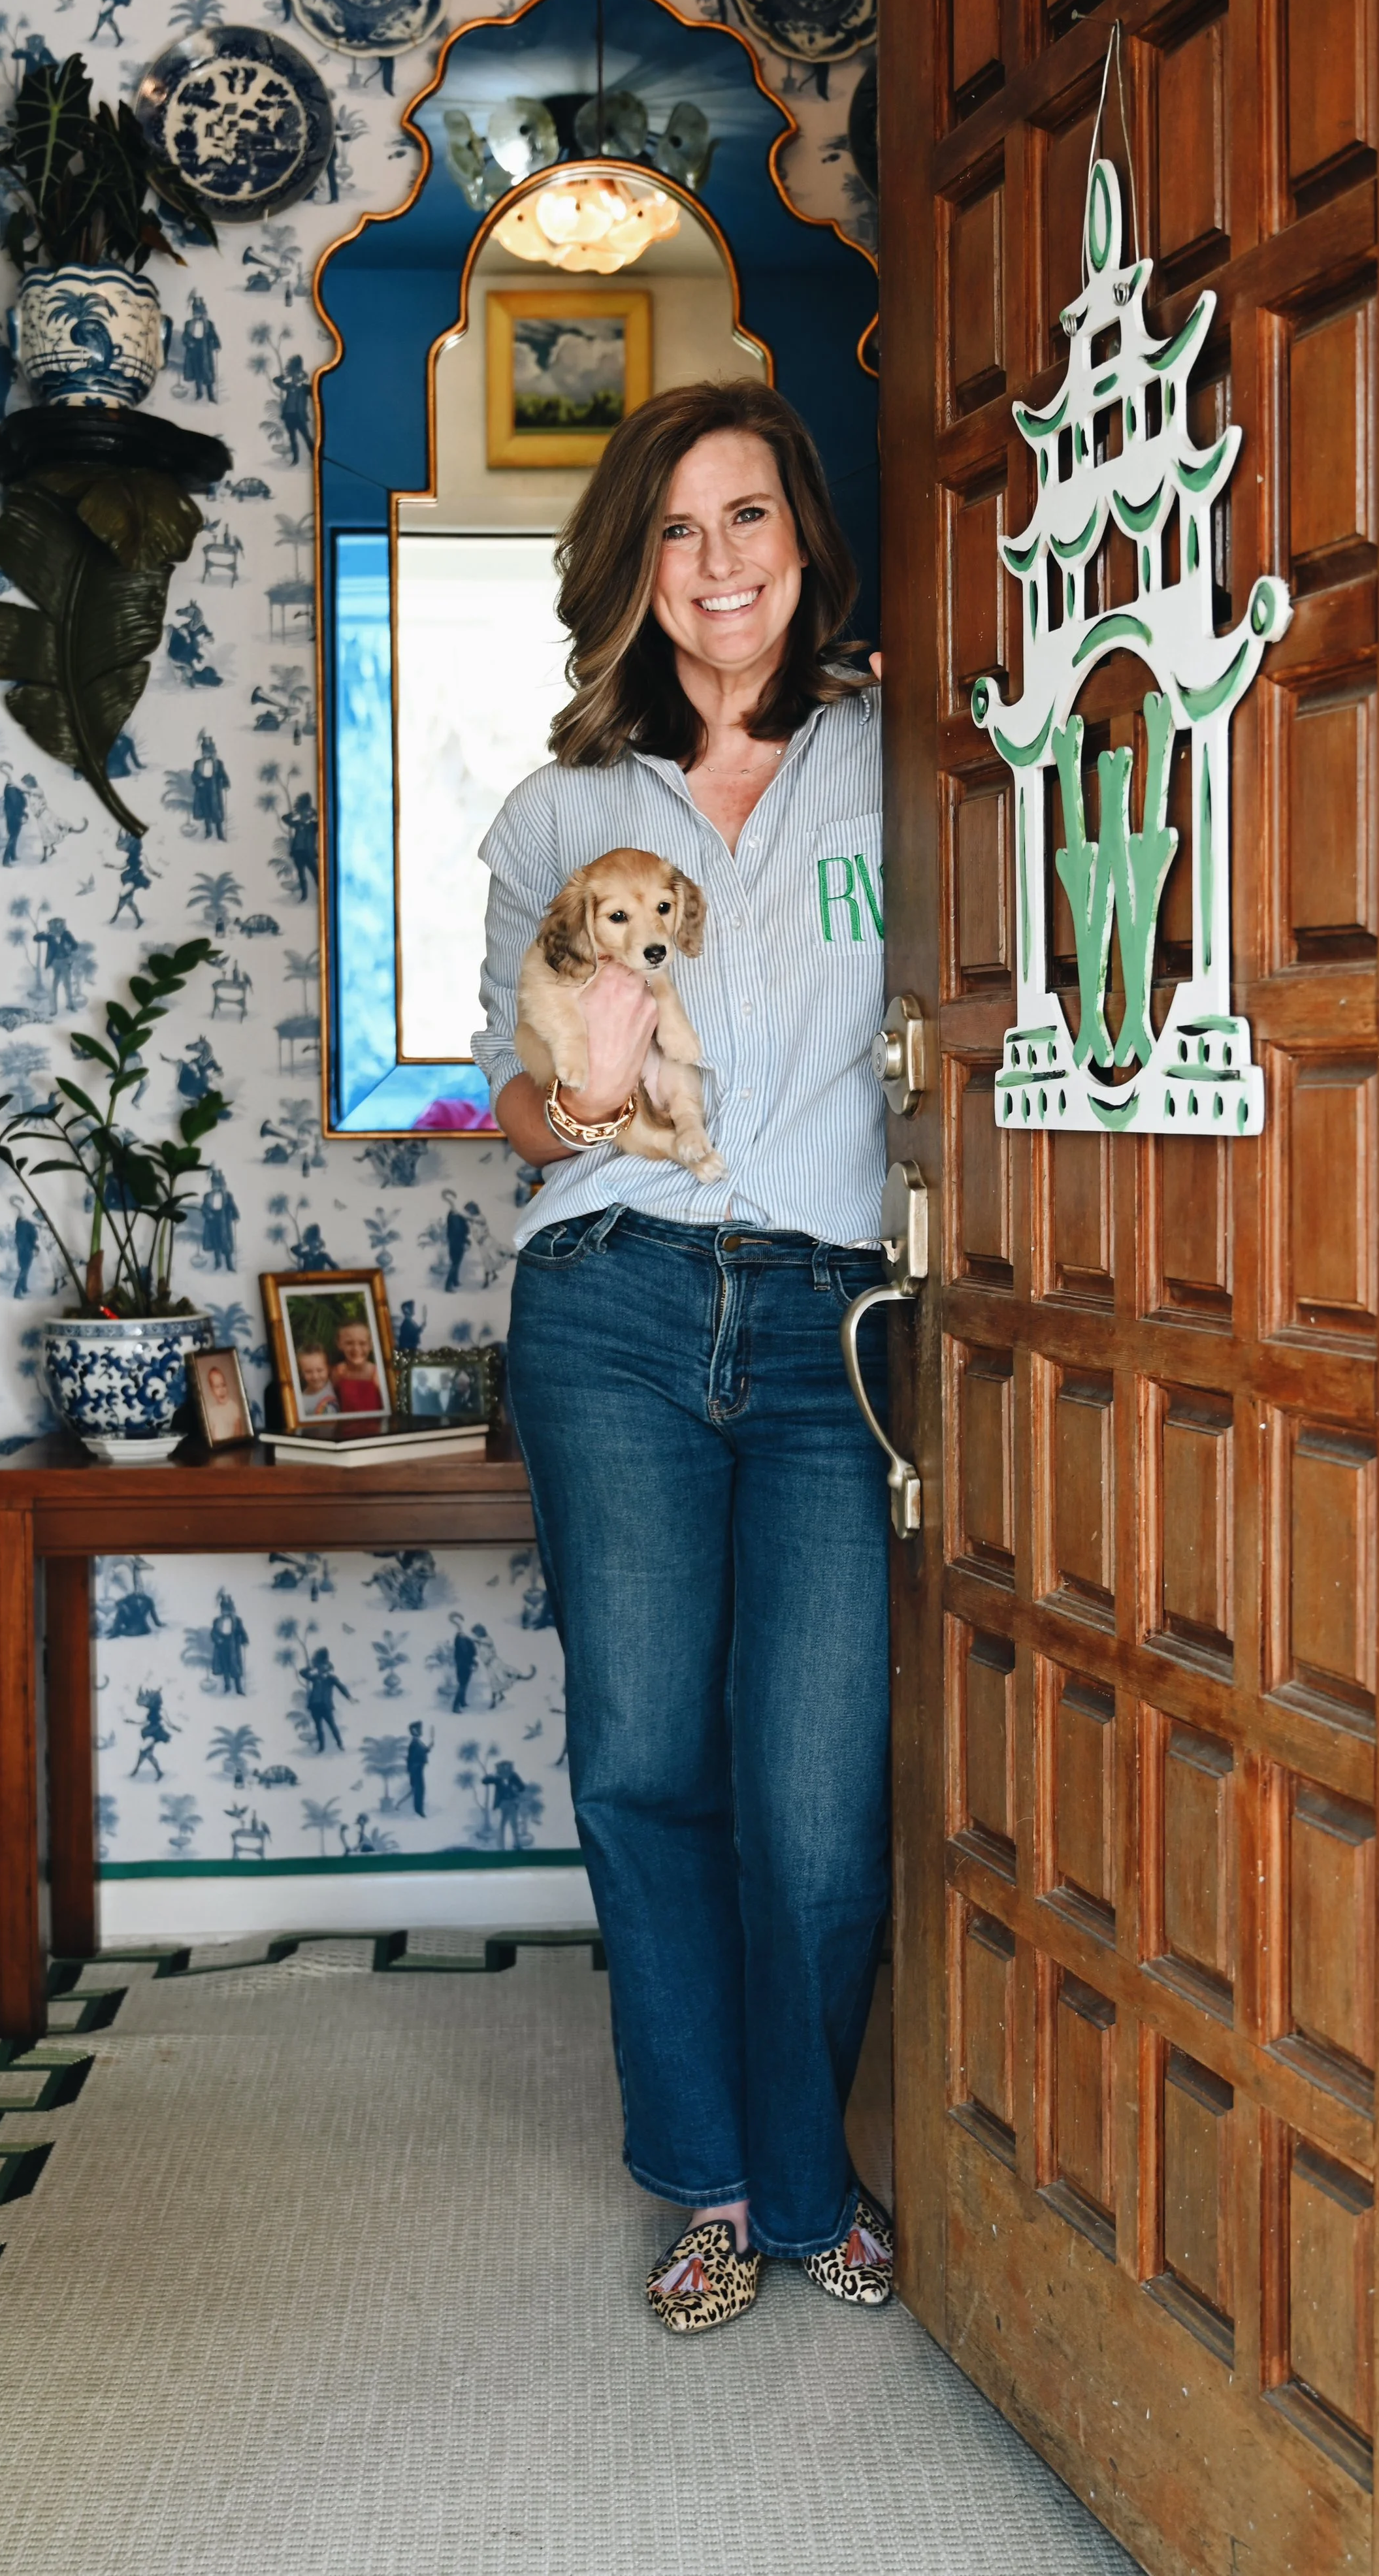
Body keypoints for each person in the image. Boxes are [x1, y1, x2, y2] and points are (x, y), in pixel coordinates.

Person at [474, 378, 892, 2334]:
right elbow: (515, 1100)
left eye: (747, 516)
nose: (717, 560)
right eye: (675, 528)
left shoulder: (905, 757)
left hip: (832, 1319)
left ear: (800, 535)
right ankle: (717, 2182)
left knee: (812, 1796)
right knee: (644, 1763)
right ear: (631, 569)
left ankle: (813, 2175)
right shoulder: (557, 812)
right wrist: (576, 1097)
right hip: (611, 1306)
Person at [329, 1313, 381, 1413]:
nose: (356, 1349)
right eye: (349, 1343)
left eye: (362, 1343)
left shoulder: (379, 1374)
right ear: (339, 1344)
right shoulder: (338, 1373)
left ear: (371, 1345)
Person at [208, 1589, 249, 1694]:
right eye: (224, 1610)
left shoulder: (237, 1621)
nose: (226, 1612)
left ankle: (239, 1689)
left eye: (228, 1610)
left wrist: (245, 1640)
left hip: (233, 1646)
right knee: (225, 1667)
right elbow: (213, 1634)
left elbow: (241, 1631)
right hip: (222, 1646)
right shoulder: (217, 1621)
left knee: (236, 1668)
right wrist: (218, 1640)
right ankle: (227, 1687)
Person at [296, 1345, 339, 1416]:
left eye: (320, 1370)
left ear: (328, 1368)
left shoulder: (335, 1387)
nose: (315, 1377)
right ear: (301, 1373)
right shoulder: (301, 1399)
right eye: (308, 1372)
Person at [405, 1720, 432, 1816]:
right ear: (414, 1731)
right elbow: (410, 1758)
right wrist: (411, 1771)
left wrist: (429, 1748)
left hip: (419, 1768)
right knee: (419, 1789)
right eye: (419, 1729)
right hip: (416, 1769)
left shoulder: (418, 1742)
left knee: (420, 1789)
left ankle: (419, 1809)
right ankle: (418, 1810)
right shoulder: (414, 1743)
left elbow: (424, 1751)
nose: (421, 1731)